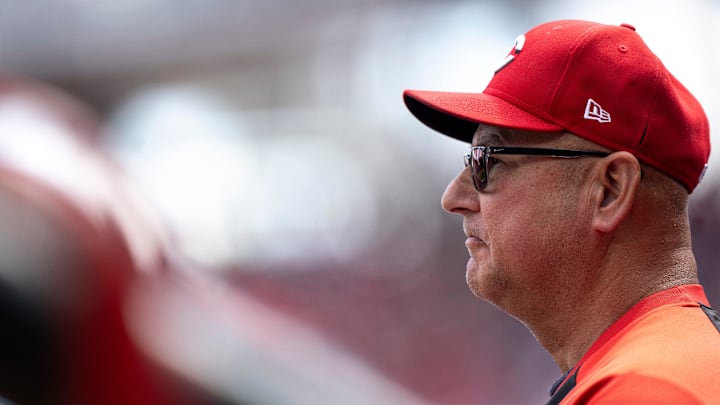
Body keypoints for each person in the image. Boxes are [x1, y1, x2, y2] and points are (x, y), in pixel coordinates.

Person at [403, 19, 720, 404]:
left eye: (488, 160)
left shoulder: (649, 386)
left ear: (609, 190)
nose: (453, 196)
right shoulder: (662, 363)